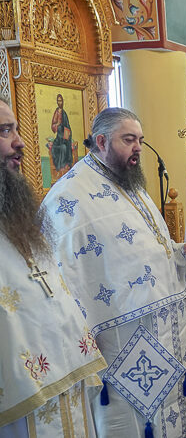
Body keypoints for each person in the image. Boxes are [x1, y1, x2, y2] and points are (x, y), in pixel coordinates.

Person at [41, 108, 186, 437]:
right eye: (128, 139)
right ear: (101, 141)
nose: (137, 148)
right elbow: (65, 269)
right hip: (118, 342)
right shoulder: (67, 198)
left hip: (160, 331)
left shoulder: (131, 184)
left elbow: (146, 248)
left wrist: (178, 254)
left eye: (140, 141)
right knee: (129, 421)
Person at [0, 95, 107, 436]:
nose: (19, 142)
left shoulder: (17, 217)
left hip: (62, 382)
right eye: (4, 131)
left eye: (15, 128)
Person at [50, 93, 73, 176]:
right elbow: (53, 126)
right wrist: (58, 124)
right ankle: (61, 168)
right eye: (58, 101)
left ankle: (66, 168)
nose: (60, 102)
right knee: (62, 148)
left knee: (66, 147)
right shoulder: (56, 112)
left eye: (61, 101)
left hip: (65, 138)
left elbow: (68, 126)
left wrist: (67, 134)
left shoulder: (64, 113)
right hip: (58, 139)